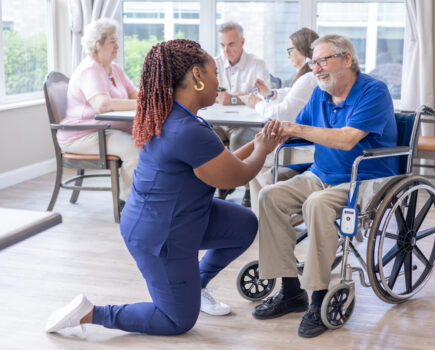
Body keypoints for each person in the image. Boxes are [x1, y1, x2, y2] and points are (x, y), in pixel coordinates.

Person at [45, 39, 282, 336]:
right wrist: (264, 149)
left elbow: (224, 163)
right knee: (177, 320)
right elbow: (235, 177)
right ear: (197, 76)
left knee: (244, 224)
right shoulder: (186, 129)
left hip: (179, 217)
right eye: (215, 75)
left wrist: (259, 142)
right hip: (159, 235)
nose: (218, 84)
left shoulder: (175, 114)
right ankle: (90, 313)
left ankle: (194, 284)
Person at [252, 34, 398, 338]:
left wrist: (296, 127)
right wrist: (274, 136)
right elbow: (301, 133)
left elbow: (346, 140)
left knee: (317, 204)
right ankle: (291, 290)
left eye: (322, 61)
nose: (316, 69)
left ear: (347, 59)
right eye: (313, 62)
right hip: (321, 174)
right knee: (270, 196)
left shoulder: (373, 91)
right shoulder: (320, 93)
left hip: (365, 180)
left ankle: (317, 297)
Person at [57, 18, 138, 203]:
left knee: (153, 139)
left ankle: (147, 196)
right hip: (83, 136)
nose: (117, 46)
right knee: (136, 150)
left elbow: (134, 94)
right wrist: (142, 105)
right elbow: (102, 105)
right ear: (97, 45)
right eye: (112, 41)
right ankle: (128, 203)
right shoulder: (90, 69)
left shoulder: (114, 69)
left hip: (105, 131)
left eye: (117, 41)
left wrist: (154, 98)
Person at [245, 27, 319, 214]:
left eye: (289, 50)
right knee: (254, 162)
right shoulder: (308, 77)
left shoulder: (308, 78)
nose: (288, 56)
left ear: (302, 49)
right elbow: (292, 94)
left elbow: (281, 113)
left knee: (254, 162)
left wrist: (257, 105)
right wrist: (270, 94)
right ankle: (264, 217)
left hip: (304, 146)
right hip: (302, 142)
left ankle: (271, 214)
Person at [213, 21, 271, 206]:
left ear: (242, 41)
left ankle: (247, 189)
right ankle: (221, 182)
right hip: (219, 121)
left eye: (231, 44)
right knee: (208, 138)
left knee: (239, 141)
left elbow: (263, 96)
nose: (226, 50)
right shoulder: (215, 63)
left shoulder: (257, 64)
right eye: (222, 45)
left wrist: (232, 98)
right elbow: (211, 94)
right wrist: (243, 95)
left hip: (246, 123)